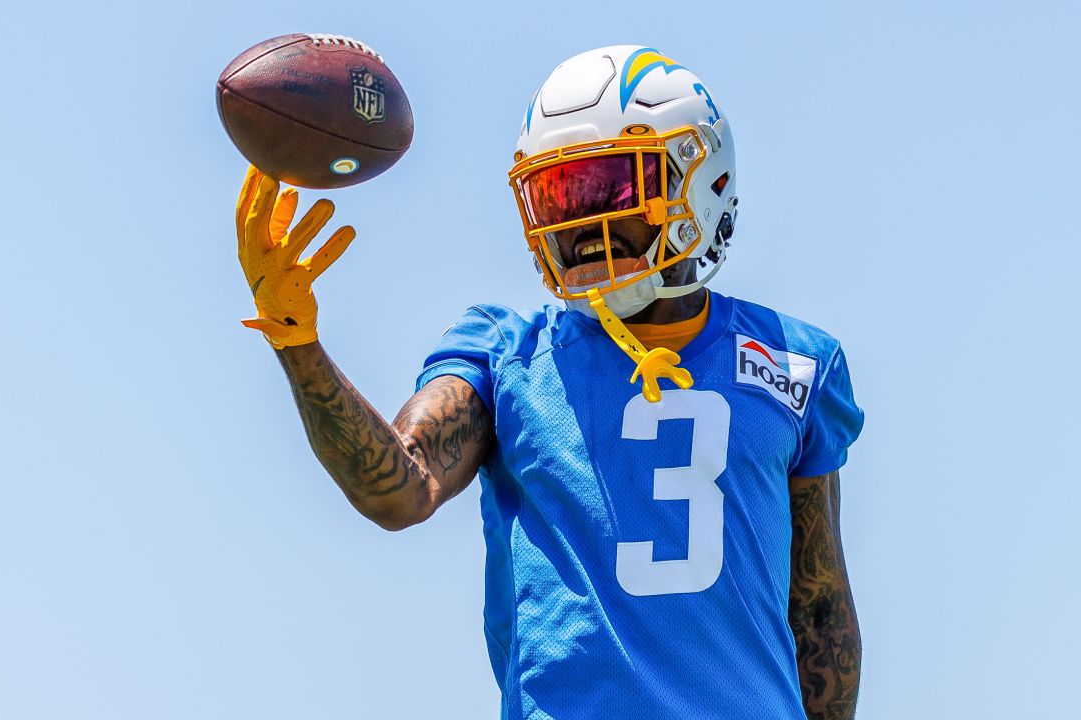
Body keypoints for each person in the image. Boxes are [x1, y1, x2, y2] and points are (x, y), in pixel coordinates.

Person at [235, 45, 864, 720]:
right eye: (557, 194)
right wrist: (295, 338)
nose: (577, 224)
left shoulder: (795, 363)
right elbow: (401, 487)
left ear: (699, 177)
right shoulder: (505, 354)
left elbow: (821, 616)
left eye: (608, 190)